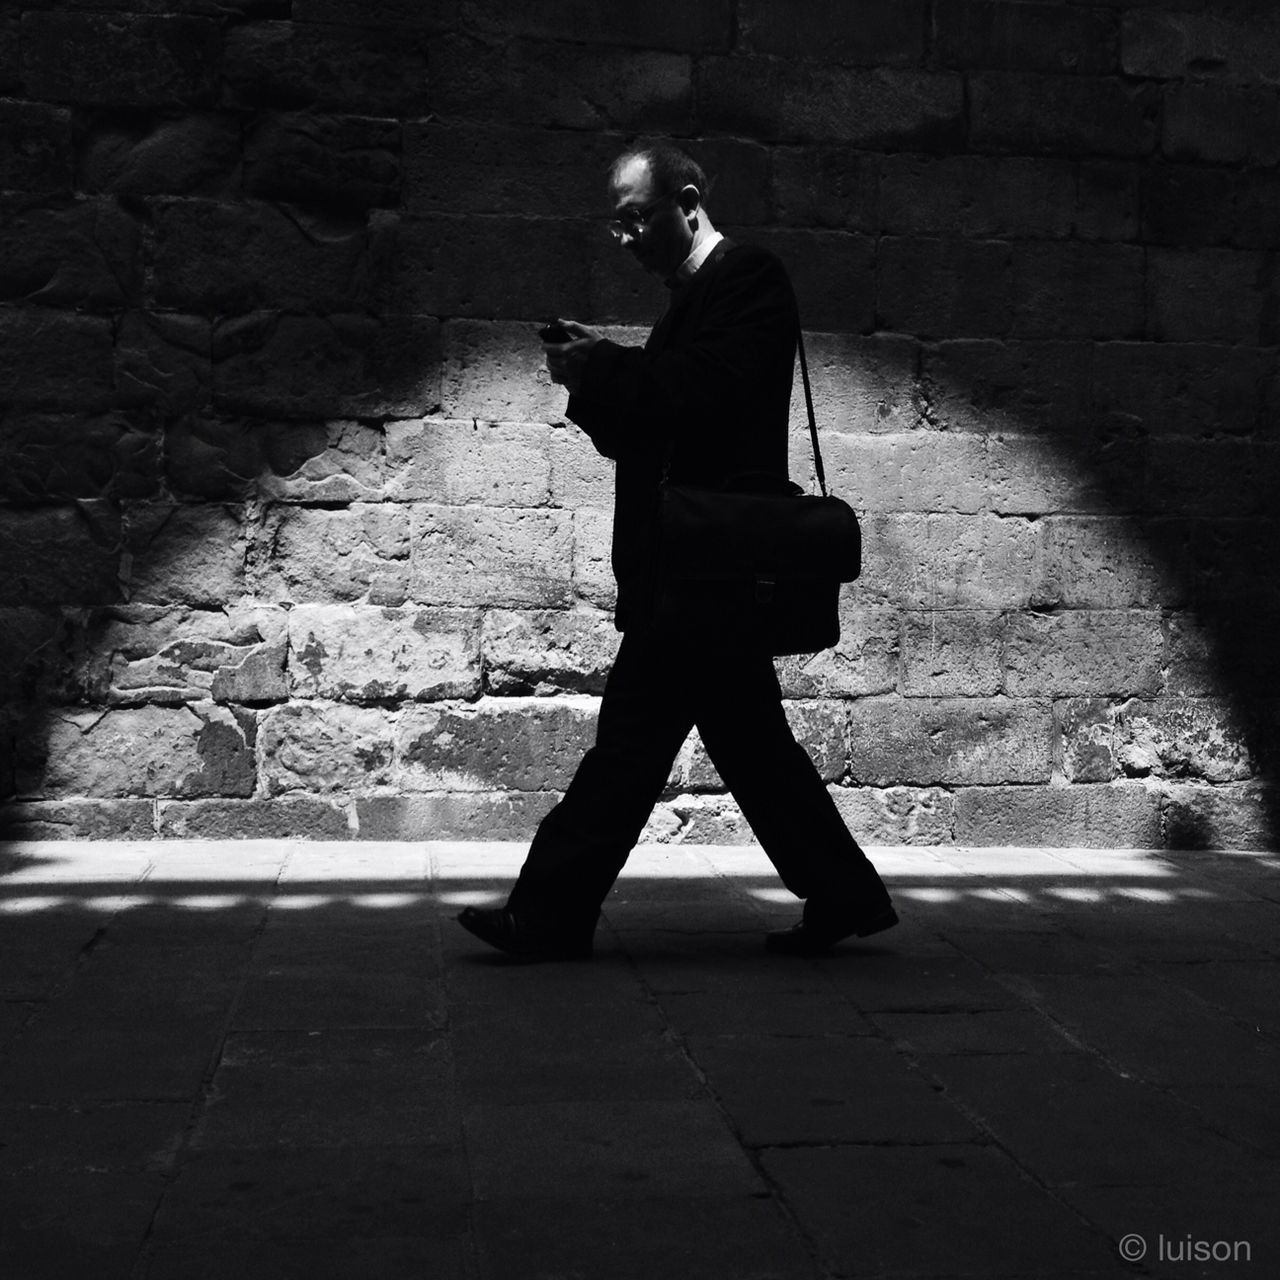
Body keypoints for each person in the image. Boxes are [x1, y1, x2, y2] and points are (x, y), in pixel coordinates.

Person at [457, 141, 896, 961]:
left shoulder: (750, 279)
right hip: (688, 566)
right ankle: (845, 894)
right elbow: (649, 430)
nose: (622, 240)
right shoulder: (685, 306)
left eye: (634, 220)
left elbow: (700, 395)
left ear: (685, 202)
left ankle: (547, 916)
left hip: (709, 568)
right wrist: (587, 383)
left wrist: (611, 370)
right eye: (615, 225)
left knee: (629, 747)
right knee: (751, 745)